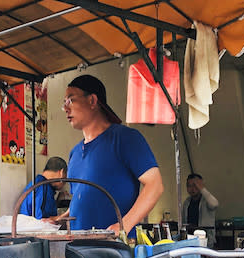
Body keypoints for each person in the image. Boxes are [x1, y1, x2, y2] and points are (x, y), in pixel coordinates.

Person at [59, 74, 163, 236]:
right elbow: (81, 197)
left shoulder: (125, 138)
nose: (66, 108)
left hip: (114, 251)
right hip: (78, 251)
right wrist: (60, 219)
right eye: (64, 103)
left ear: (92, 101)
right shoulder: (74, 153)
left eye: (71, 100)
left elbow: (155, 186)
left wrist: (123, 226)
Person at [182, 173, 219, 247]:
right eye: (189, 186)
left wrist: (202, 189)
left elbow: (215, 204)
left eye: (195, 185)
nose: (192, 189)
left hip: (206, 240)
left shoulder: (206, 200)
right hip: (189, 240)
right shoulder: (187, 202)